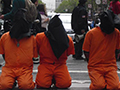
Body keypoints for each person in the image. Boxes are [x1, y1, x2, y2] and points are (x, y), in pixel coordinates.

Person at [0, 8, 38, 90]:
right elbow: (35, 57)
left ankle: (15, 80)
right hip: (9, 68)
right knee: (4, 86)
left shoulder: (32, 39)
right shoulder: (5, 38)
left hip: (25, 68)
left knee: (26, 86)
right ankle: (11, 80)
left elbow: (3, 54)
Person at [82, 9, 120, 90]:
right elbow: (86, 51)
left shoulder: (116, 33)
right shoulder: (91, 34)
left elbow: (86, 52)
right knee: (98, 86)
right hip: (95, 66)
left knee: (115, 86)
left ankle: (103, 83)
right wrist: (92, 63)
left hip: (110, 66)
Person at [35, 15, 75, 89]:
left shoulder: (40, 37)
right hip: (46, 64)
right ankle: (54, 79)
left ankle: (53, 79)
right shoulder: (40, 38)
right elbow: (69, 53)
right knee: (42, 84)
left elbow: (36, 52)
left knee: (65, 84)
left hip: (60, 64)